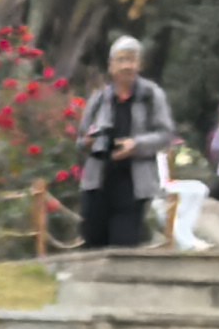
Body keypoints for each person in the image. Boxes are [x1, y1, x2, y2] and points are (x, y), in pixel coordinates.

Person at [76, 35, 182, 248]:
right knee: (93, 244)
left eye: (132, 60)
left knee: (123, 246)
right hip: (98, 183)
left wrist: (136, 145)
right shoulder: (99, 99)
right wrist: (87, 142)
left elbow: (165, 135)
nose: (127, 66)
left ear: (139, 64)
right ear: (111, 66)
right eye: (121, 60)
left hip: (134, 185)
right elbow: (80, 140)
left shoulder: (151, 95)